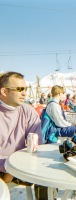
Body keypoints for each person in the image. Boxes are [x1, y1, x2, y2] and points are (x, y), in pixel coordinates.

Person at [0, 72, 47, 200]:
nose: (24, 93)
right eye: (20, 89)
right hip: (4, 166)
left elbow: (36, 146)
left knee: (46, 177)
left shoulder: (28, 111)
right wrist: (8, 168)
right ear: (4, 91)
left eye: (25, 89)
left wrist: (12, 169)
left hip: (19, 165)